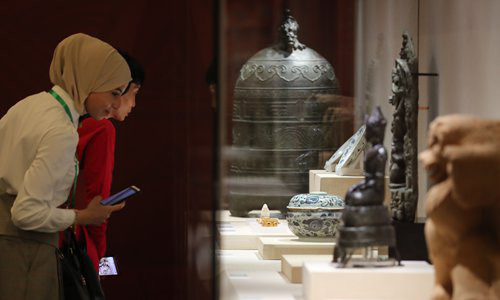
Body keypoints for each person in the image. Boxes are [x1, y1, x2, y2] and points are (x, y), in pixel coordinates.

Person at [0, 33, 130, 299]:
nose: (117, 105)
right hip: (25, 253)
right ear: (90, 79)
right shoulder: (61, 128)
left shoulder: (28, 105)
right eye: (114, 93)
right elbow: (25, 213)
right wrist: (82, 216)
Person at [75, 49, 144, 271]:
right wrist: (98, 253)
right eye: (133, 92)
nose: (132, 103)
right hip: (73, 236)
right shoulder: (102, 127)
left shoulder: (72, 118)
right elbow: (97, 195)